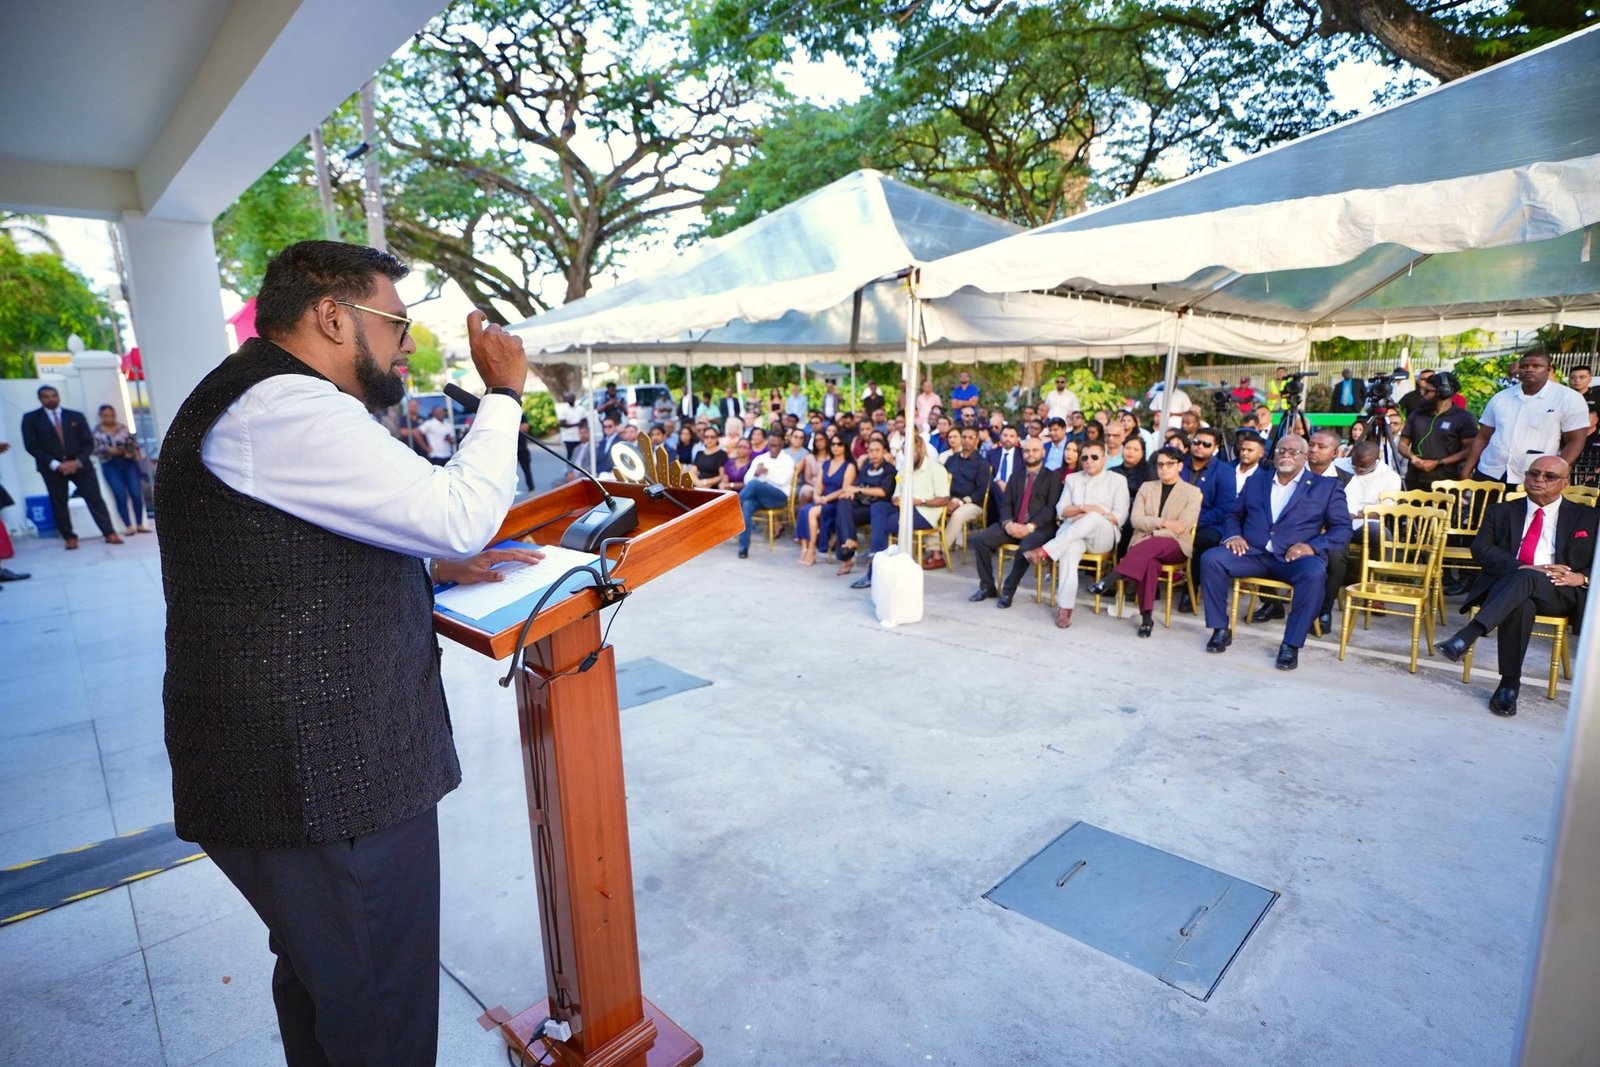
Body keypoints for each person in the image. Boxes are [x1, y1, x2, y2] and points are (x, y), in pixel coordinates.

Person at [157, 240, 540, 1066]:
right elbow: (458, 510)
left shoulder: (260, 400)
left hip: (288, 777)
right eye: (395, 322)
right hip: (330, 785)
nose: (406, 342)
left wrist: (429, 563)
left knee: (328, 987)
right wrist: (504, 392)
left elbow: (296, 550)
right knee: (380, 1016)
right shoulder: (286, 406)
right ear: (333, 315)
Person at [1436, 455, 1597, 716]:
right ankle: (1508, 685)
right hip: (1510, 586)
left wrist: (1583, 578)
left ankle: (1467, 636)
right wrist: (1523, 567)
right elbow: (1480, 549)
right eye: (1534, 473)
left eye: (1549, 476)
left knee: (1527, 581)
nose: (1539, 480)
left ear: (1565, 483)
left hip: (1560, 590)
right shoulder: (1500, 511)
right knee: (1522, 602)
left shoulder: (1588, 517)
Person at [1198, 434, 1352, 670]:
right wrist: (1233, 535)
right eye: (1281, 450)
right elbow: (1233, 515)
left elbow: (1342, 528)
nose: (1286, 455)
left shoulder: (1326, 487)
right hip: (1253, 553)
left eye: (1293, 452)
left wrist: (1312, 547)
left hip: (1293, 558)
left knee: (1314, 574)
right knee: (1212, 559)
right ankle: (1220, 629)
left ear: (1304, 457)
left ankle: (1291, 645)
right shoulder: (1257, 481)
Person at [1088, 448, 1202, 637]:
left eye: (1169, 464)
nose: (1164, 468)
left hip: (1175, 546)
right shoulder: (1147, 487)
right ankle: (1146, 619)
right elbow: (1136, 520)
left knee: (1153, 544)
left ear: (1180, 466)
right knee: (1150, 563)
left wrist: (1154, 534)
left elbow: (1183, 526)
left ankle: (1112, 577)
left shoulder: (1192, 492)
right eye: (1160, 464)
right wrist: (1164, 523)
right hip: (1146, 545)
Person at [1029, 444, 1128, 628]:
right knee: (1070, 549)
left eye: (1094, 457)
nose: (1089, 461)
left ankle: (1045, 551)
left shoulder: (1118, 480)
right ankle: (1065, 609)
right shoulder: (1072, 479)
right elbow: (1061, 510)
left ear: (1104, 459)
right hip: (1074, 535)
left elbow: (1119, 517)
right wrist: (1083, 509)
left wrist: (1091, 515)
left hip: (1102, 535)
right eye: (1085, 458)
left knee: (1093, 518)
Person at [1463, 349, 1589, 486]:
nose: (1529, 370)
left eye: (1536, 366)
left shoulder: (1568, 398)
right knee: (1482, 508)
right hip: (1490, 471)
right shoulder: (1500, 398)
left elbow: (1576, 440)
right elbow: (1483, 437)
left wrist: (1555, 474)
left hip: (1535, 477)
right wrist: (1467, 470)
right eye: (1524, 366)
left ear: (1549, 369)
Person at [20, 385, 120, 549]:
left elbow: (88, 443)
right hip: (52, 468)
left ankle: (109, 532)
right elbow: (31, 446)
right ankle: (69, 537)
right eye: (46, 396)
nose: (51, 399)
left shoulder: (75, 416)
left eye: (53, 395)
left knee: (95, 498)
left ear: (58, 396)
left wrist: (77, 462)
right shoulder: (31, 419)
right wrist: (55, 464)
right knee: (59, 502)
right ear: (40, 399)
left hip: (80, 465)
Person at [970, 436, 1060, 608]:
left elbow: (1050, 509)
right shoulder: (1016, 475)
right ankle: (987, 586)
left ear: (1043, 452)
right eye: (1026, 450)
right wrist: (1008, 524)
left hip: (1039, 529)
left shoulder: (1052, 478)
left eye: (1035, 450)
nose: (1030, 454)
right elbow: (1006, 503)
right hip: (1013, 525)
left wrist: (1029, 527)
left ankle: (1007, 591)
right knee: (981, 540)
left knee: (1025, 549)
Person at [851, 434, 950, 588]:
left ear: (920, 450)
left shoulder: (936, 469)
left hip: (925, 513)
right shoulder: (904, 470)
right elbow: (896, 494)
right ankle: (876, 560)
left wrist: (919, 501)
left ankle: (874, 564)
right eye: (905, 453)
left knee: (884, 524)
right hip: (904, 510)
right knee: (878, 507)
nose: (908, 457)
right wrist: (896, 499)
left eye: (911, 453)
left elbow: (944, 499)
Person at [1397, 371, 1478, 489]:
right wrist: (1412, 457)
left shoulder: (1463, 417)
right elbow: (1402, 444)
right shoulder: (1416, 415)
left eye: (1427, 391)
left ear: (1444, 393)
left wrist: (1438, 462)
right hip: (1414, 481)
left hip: (1447, 484)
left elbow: (1470, 449)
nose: (1422, 394)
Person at [833, 436, 896, 576]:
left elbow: (883, 492)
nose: (873, 454)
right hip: (862, 506)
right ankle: (850, 540)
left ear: (884, 451)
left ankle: (846, 558)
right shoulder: (866, 467)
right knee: (843, 503)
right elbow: (855, 485)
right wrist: (850, 492)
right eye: (871, 451)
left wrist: (859, 490)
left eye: (877, 450)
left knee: (842, 518)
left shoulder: (889, 470)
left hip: (877, 509)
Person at [736, 432, 796, 558]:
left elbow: (782, 480)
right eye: (771, 445)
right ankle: (743, 547)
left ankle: (733, 506)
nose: (773, 448)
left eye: (777, 446)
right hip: (758, 496)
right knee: (747, 505)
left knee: (754, 485)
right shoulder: (760, 459)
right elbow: (747, 479)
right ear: (767, 445)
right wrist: (757, 473)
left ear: (781, 445)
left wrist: (767, 473)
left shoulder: (787, 460)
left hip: (778, 497)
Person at [93, 403, 148, 534]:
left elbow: (133, 444)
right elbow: (93, 449)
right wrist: (107, 450)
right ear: (101, 416)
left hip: (128, 462)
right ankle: (128, 526)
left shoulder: (124, 428)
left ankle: (140, 524)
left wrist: (129, 451)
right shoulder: (96, 432)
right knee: (120, 495)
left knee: (135, 493)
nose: (109, 418)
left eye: (111, 415)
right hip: (110, 463)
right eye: (106, 415)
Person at [799, 436, 853, 565]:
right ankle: (804, 548)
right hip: (822, 498)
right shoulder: (827, 464)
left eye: (839, 444)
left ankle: (812, 550)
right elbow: (819, 484)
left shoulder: (849, 466)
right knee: (803, 510)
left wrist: (826, 498)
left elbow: (845, 488)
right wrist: (817, 496)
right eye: (833, 444)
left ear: (845, 446)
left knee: (812, 512)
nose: (835, 446)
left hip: (837, 502)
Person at [943, 426, 992, 553]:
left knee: (957, 515)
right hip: (950, 499)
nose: (967, 440)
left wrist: (960, 502)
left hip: (972, 503)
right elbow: (942, 482)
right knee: (932, 509)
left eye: (971, 438)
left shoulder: (982, 463)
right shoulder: (951, 460)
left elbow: (981, 492)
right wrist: (947, 500)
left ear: (977, 441)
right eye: (964, 437)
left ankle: (941, 551)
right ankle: (932, 549)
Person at [1114, 436, 1151, 555]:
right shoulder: (1112, 472)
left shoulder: (1148, 474)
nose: (1130, 451)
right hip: (1113, 511)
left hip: (1136, 512)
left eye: (1136, 449)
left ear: (1142, 453)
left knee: (1130, 526)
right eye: (1128, 448)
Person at [1232, 431, 1266, 496]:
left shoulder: (1264, 478)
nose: (1244, 453)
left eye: (1250, 450)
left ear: (1261, 453)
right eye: (1243, 449)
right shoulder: (1225, 469)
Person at [516, 410, 535, 492]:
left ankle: (531, 489)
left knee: (527, 470)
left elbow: (525, 427)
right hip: (510, 449)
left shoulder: (520, 414)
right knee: (507, 472)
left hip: (522, 448)